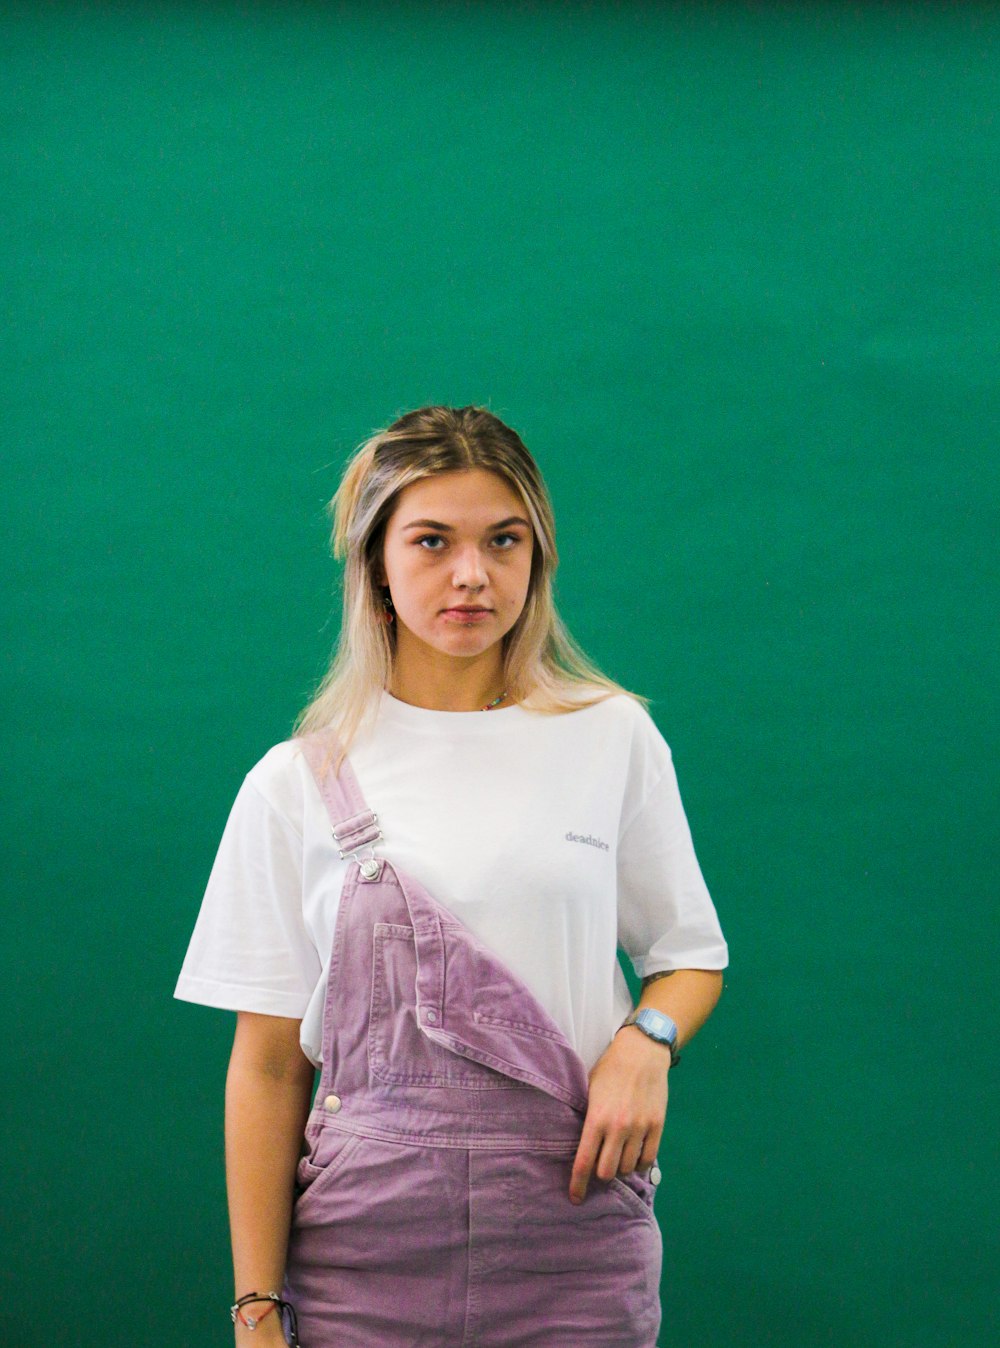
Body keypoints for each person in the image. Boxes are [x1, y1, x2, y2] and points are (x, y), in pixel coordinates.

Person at [174, 404, 728, 1347]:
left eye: (503, 540)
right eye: (432, 540)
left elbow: (690, 956)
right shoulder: (296, 782)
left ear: (537, 560)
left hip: (578, 1252)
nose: (472, 574)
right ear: (375, 564)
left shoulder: (611, 737)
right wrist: (257, 1309)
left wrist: (648, 1040)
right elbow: (268, 1068)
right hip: (360, 1262)